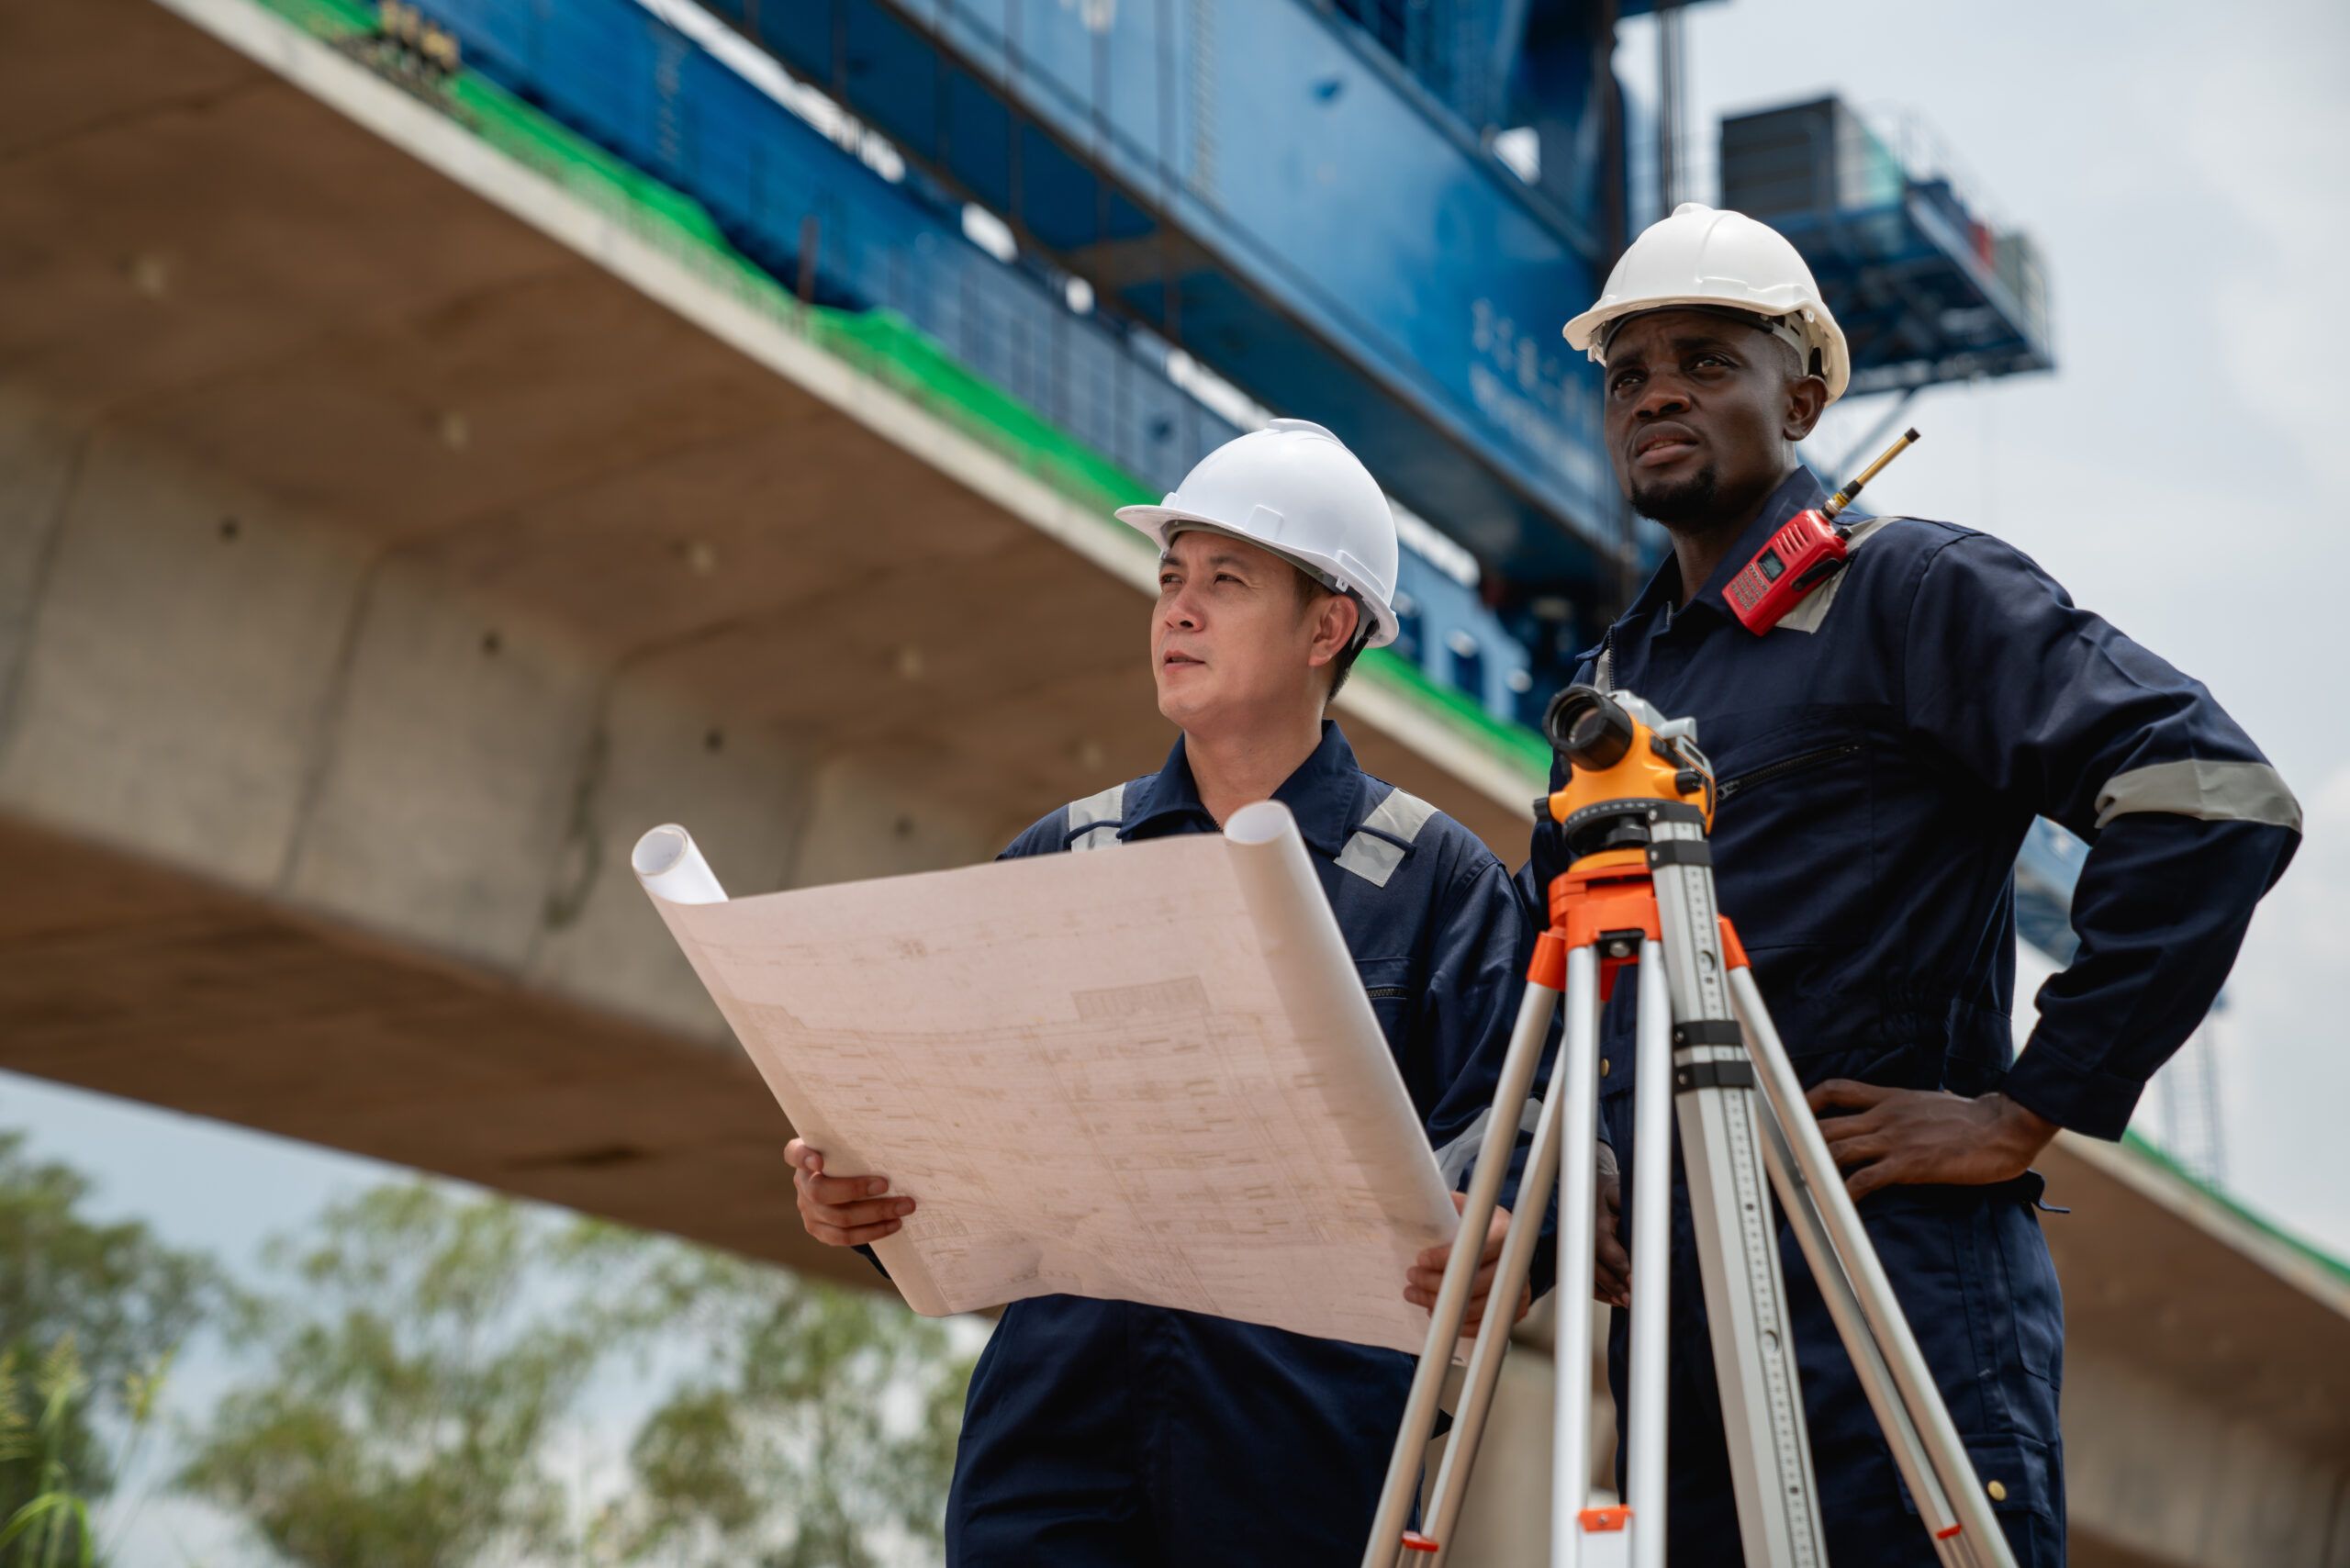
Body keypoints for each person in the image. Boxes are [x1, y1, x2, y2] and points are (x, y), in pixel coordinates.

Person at [1535, 201, 2301, 1566]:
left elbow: (2212, 797)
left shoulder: (1911, 590)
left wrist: (2030, 1103)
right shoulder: (1611, 700)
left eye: (1707, 360)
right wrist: (1574, 1165)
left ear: (1806, 396)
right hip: (1680, 1331)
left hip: (1895, 1287)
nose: (1657, 390)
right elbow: (1576, 980)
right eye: (1628, 368)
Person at [783, 419, 1550, 1565]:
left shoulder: (1438, 882)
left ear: (1326, 627)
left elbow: (1518, 1149)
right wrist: (855, 1196)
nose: (1176, 610)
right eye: (1170, 578)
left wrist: (1511, 1239)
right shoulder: (1064, 854)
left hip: (1304, 1458)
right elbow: (954, 1143)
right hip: (1047, 1456)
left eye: (1225, 582)